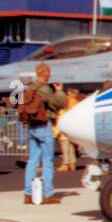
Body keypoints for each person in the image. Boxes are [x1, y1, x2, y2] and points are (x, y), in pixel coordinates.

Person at [18, 64, 66, 205]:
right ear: (47, 74)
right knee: (48, 162)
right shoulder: (45, 89)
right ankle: (47, 194)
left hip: (32, 126)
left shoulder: (30, 88)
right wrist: (59, 91)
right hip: (44, 126)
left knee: (32, 161)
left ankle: (28, 194)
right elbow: (58, 104)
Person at [55, 87, 83, 172]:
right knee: (71, 147)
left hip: (65, 126)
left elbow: (60, 114)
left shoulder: (66, 101)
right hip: (72, 128)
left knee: (65, 146)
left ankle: (66, 164)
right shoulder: (76, 102)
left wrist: (56, 131)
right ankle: (72, 163)